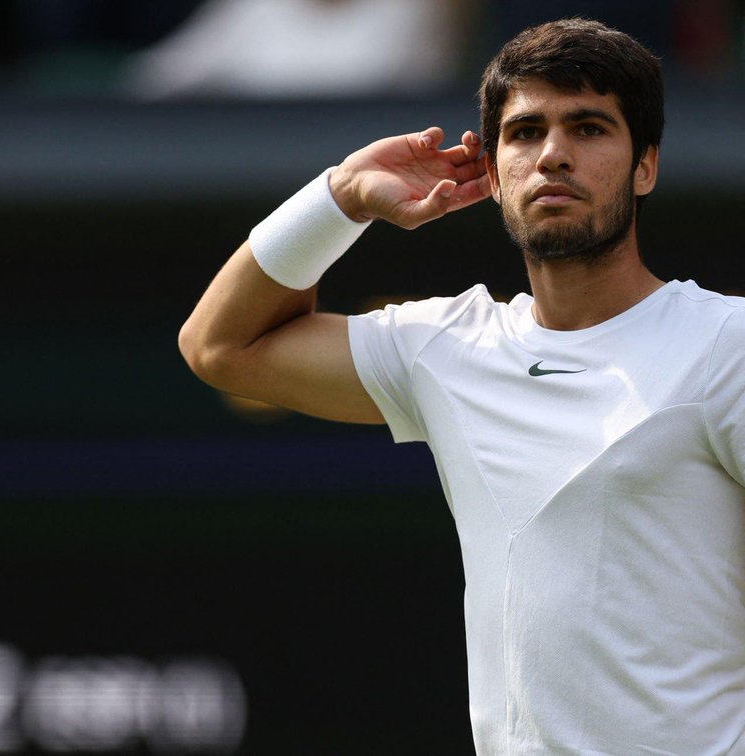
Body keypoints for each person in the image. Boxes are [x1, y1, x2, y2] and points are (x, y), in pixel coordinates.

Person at [178, 17, 745, 754]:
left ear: (646, 167)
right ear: (492, 168)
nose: (553, 156)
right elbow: (220, 345)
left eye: (589, 128)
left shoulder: (727, 344)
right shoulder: (449, 347)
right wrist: (342, 195)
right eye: (525, 132)